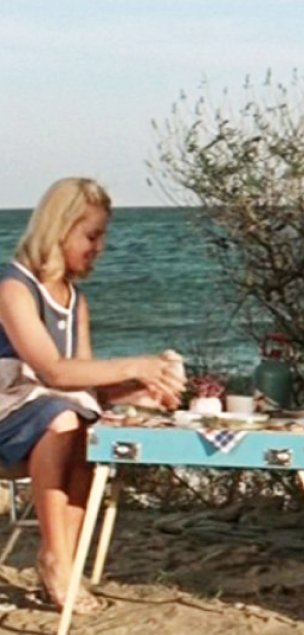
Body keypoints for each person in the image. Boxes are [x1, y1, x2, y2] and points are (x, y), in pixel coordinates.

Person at [0, 178, 186, 612]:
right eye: (92, 234)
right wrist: (133, 364)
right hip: (7, 410)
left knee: (87, 423)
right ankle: (55, 558)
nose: (99, 246)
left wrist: (135, 393)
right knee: (64, 418)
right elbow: (51, 370)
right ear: (59, 229)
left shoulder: (75, 300)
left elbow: (78, 384)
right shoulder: (13, 289)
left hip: (47, 413)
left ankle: (65, 559)